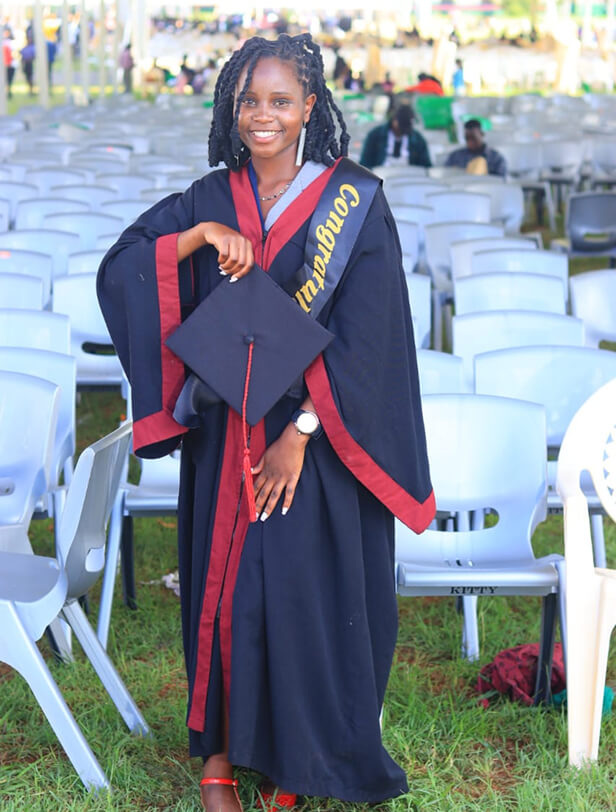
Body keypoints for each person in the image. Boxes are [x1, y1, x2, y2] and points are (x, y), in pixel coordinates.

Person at [98, 33, 434, 812]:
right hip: (227, 435)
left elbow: (370, 337)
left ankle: (299, 762)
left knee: (299, 595)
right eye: (250, 100)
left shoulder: (355, 199)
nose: (263, 116)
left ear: (310, 107)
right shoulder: (210, 197)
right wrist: (197, 238)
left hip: (313, 442)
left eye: (281, 101)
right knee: (228, 594)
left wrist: (301, 432)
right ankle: (218, 752)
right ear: (232, 107)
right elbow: (124, 265)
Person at [360, 104, 431, 169]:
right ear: (394, 120)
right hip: (381, 176)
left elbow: (426, 165)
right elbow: (365, 163)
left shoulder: (417, 139)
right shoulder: (375, 135)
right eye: (401, 125)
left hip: (410, 177)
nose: (402, 130)